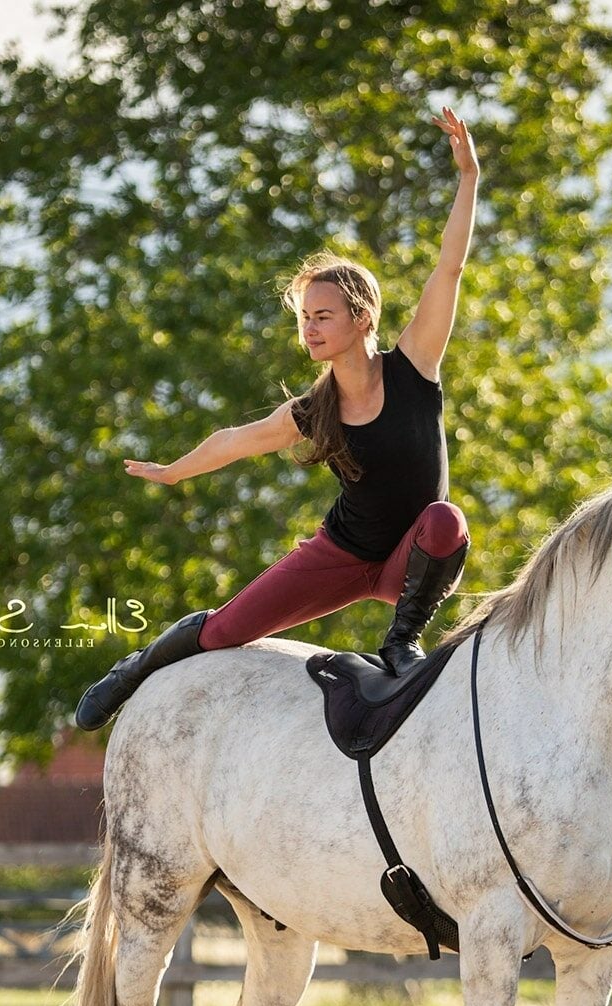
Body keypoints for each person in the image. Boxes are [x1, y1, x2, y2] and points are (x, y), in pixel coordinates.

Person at [74, 106, 480, 731]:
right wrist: (174, 473)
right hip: (342, 554)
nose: (310, 328)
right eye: (305, 317)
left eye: (323, 316)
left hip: (409, 563)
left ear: (361, 318)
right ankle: (132, 672)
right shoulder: (314, 411)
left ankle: (400, 642)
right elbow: (239, 440)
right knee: (227, 628)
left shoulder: (414, 366)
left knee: (445, 519)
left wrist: (468, 178)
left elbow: (448, 268)